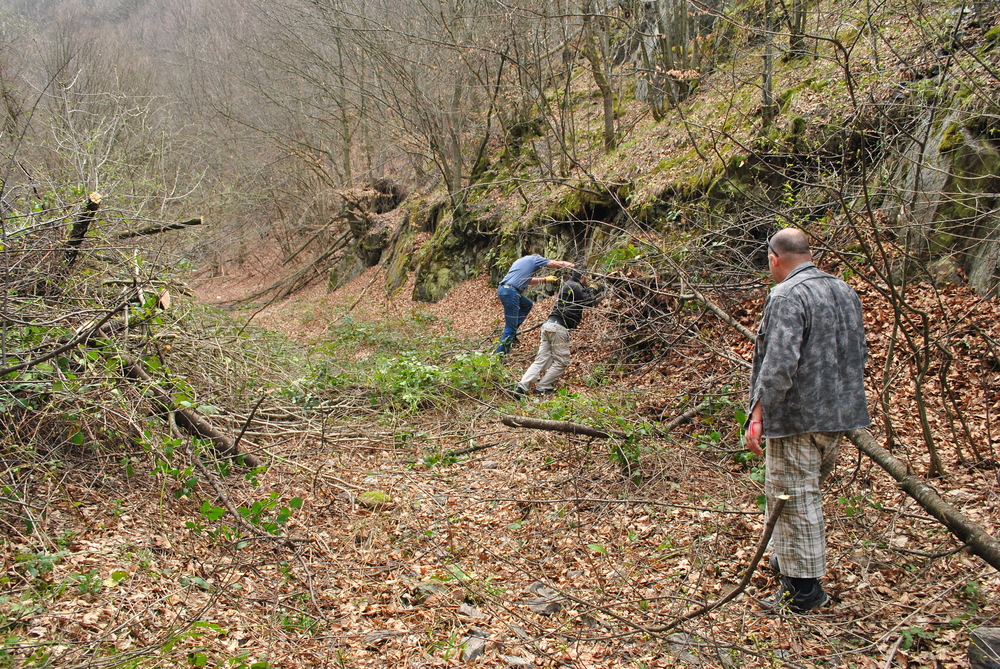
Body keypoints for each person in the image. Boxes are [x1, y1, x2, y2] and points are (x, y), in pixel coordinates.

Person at [745, 227, 870, 613]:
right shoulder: (844, 290)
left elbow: (779, 362)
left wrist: (759, 411)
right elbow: (858, 352)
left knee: (795, 500)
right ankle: (788, 569)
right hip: (839, 414)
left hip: (798, 416)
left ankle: (804, 591)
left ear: (774, 257)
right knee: (801, 495)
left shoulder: (786, 294)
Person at [515, 270, 600, 396]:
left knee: (541, 360)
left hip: (549, 325)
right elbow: (589, 301)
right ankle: (543, 387)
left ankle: (522, 387)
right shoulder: (575, 286)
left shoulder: (571, 285)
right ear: (584, 275)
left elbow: (583, 296)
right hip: (558, 327)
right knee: (562, 361)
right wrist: (595, 288)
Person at [494, 254, 575, 355]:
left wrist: (545, 279)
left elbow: (528, 281)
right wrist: (575, 266)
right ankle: (500, 356)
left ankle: (512, 331)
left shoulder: (520, 262)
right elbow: (558, 263)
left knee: (527, 304)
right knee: (510, 328)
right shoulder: (535, 259)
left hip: (504, 290)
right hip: (511, 292)